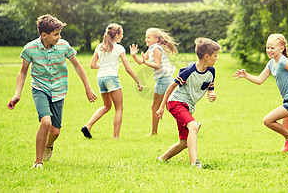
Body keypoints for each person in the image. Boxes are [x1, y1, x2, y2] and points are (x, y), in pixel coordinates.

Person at [7, 14, 98, 169]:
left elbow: (77, 65)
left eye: (59, 33)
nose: (59, 37)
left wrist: (88, 88)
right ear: (44, 35)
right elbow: (23, 72)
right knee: (46, 122)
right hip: (40, 89)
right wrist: (17, 94)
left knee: (55, 132)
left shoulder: (63, 46)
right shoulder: (30, 48)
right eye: (56, 34)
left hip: (59, 90)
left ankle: (49, 145)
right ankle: (38, 161)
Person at [233, 33, 288, 153]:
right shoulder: (271, 63)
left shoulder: (283, 62)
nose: (269, 50)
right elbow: (259, 80)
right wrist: (246, 75)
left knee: (268, 120)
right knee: (285, 130)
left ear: (282, 48)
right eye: (267, 48)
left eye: (272, 48)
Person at [156, 37, 221, 168]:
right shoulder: (188, 71)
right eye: (215, 56)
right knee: (194, 126)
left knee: (185, 142)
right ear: (207, 56)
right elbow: (171, 87)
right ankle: (194, 163)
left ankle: (162, 158)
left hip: (188, 107)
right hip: (176, 103)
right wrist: (161, 107)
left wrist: (211, 94)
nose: (217, 58)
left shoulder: (211, 71)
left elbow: (210, 88)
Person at [81, 23, 143, 140]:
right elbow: (128, 68)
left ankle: (88, 126)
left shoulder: (100, 46)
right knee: (119, 108)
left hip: (101, 78)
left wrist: (105, 65)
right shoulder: (119, 48)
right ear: (117, 35)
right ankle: (116, 137)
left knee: (106, 106)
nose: (122, 36)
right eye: (122, 34)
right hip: (111, 78)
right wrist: (138, 81)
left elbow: (92, 65)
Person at [130, 28, 178, 136]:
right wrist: (133, 55)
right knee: (170, 107)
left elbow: (157, 65)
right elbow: (141, 62)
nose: (146, 39)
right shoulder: (151, 48)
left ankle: (154, 133)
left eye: (148, 37)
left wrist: (145, 62)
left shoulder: (156, 49)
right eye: (146, 37)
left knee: (157, 107)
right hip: (163, 80)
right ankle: (189, 124)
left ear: (156, 39)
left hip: (164, 80)